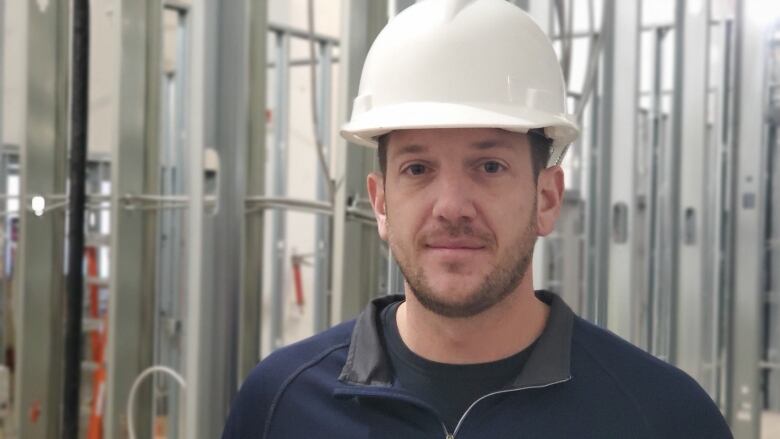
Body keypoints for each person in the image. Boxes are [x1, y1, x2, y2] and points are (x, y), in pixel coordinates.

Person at [222, 0, 733, 437]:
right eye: (418, 168)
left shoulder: (662, 416)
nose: (451, 206)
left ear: (547, 198)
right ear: (380, 202)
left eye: (490, 166)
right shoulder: (280, 407)